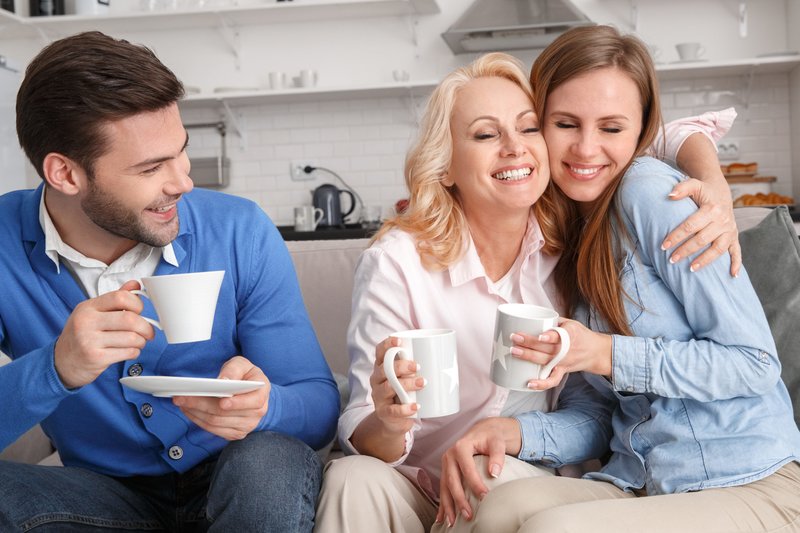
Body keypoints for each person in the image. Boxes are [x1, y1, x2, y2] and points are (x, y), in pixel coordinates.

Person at [314, 50, 741, 533]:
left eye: (529, 127)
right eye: (485, 134)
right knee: (350, 477)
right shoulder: (396, 262)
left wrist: (712, 179)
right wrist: (390, 423)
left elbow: (643, 135)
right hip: (413, 480)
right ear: (446, 166)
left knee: (490, 480)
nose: (515, 147)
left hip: (515, 474)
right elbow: (362, 428)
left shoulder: (574, 247)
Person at [435, 25, 800, 532]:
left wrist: (605, 352)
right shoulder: (568, 232)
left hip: (746, 479)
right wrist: (515, 432)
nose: (586, 149)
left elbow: (755, 363)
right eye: (565, 123)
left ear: (641, 133)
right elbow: (599, 415)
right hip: (639, 480)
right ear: (537, 123)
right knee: (489, 506)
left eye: (611, 128)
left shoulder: (649, 194)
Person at [0, 31, 339, 532]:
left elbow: (319, 403)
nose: (183, 181)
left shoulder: (239, 230)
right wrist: (57, 367)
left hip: (242, 476)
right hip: (104, 500)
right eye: (152, 167)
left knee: (266, 464)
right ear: (65, 174)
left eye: (180, 152)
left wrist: (267, 408)